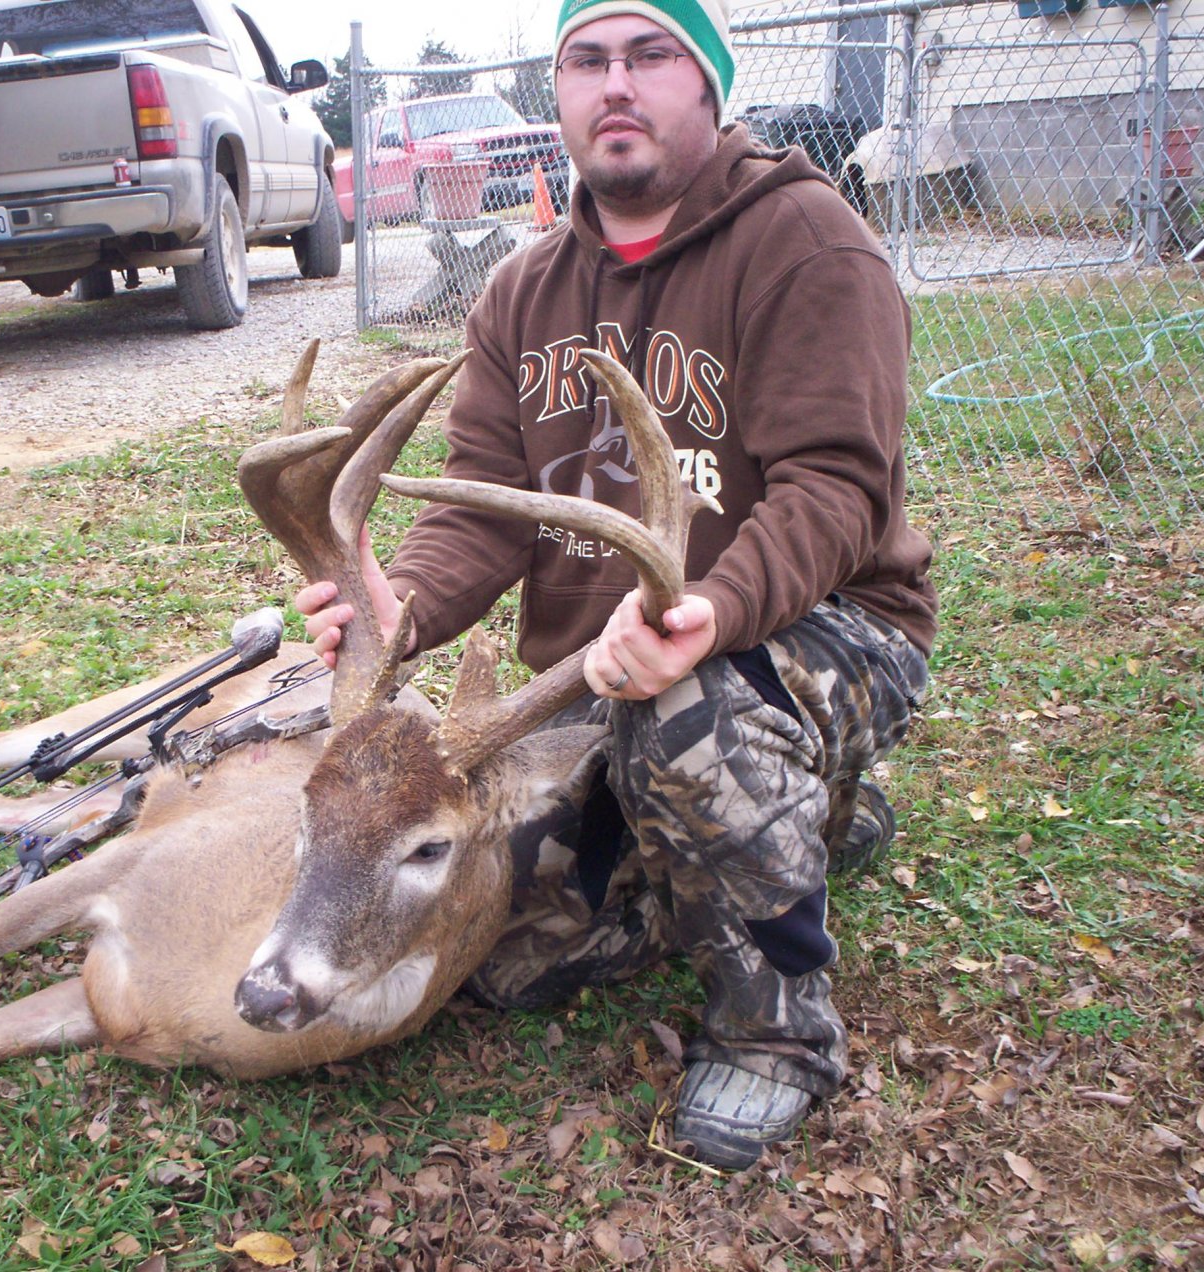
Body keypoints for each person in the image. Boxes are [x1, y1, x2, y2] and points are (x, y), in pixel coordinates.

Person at [296, 0, 936, 1172]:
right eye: (586, 60)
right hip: (603, 669)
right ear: (559, 91)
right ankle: (799, 828)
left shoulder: (807, 243)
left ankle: (775, 1038)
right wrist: (404, 606)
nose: (616, 85)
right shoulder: (522, 290)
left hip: (829, 627)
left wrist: (711, 611)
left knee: (688, 724)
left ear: (709, 84)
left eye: (651, 55)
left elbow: (836, 491)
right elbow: (479, 502)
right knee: (501, 945)